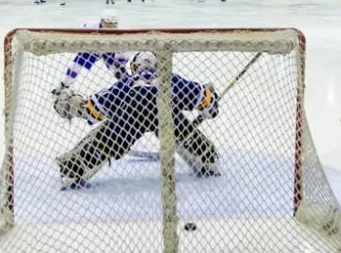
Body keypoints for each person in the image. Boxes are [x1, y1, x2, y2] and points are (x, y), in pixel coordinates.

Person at [53, 51, 220, 189]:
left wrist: (74, 106)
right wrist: (210, 101)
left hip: (133, 106)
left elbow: (96, 108)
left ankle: (75, 169)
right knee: (182, 134)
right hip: (162, 107)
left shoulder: (128, 81)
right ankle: (206, 158)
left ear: (134, 67)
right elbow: (200, 96)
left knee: (109, 139)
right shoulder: (168, 79)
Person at [53, 11, 129, 91]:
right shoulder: (90, 26)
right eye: (108, 24)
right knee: (76, 66)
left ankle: (129, 86)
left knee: (118, 70)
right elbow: (78, 35)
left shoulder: (118, 34)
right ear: (102, 22)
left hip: (108, 51)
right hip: (92, 49)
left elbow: (124, 52)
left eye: (113, 24)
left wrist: (120, 62)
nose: (111, 27)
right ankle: (65, 85)